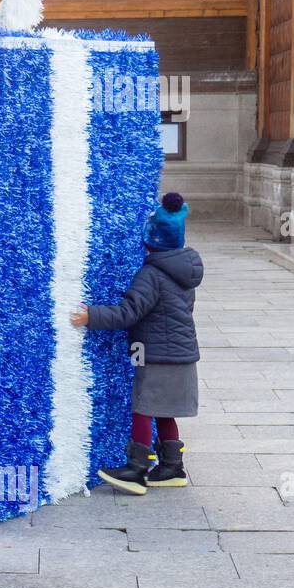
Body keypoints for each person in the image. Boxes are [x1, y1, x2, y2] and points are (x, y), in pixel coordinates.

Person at [70, 192, 203, 495]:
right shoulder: (184, 273)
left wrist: (91, 315)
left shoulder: (151, 274)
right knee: (164, 410)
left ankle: (136, 469)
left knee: (143, 407)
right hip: (181, 354)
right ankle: (172, 467)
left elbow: (129, 312)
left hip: (157, 355)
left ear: (150, 241)